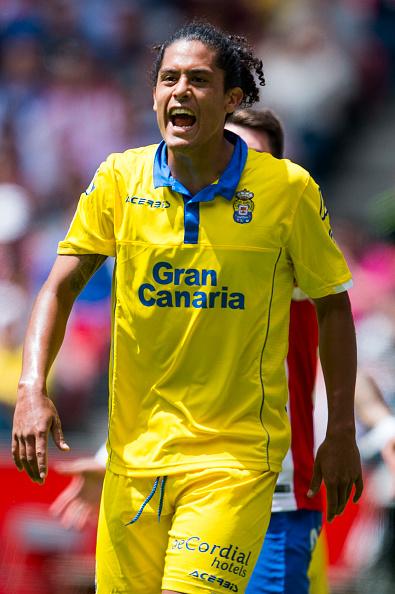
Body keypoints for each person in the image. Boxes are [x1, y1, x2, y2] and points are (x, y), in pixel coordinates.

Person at [12, 21, 362, 594]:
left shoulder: (286, 191)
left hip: (234, 461)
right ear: (153, 94)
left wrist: (342, 427)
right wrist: (32, 387)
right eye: (169, 78)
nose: (181, 91)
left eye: (199, 80)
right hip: (134, 462)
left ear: (231, 99)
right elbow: (58, 287)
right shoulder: (118, 181)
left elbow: (333, 305)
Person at [226, 109, 327, 594]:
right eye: (233, 152)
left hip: (278, 497)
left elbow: (344, 354)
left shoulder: (291, 237)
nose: (243, 169)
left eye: (258, 159)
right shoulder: (190, 248)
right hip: (194, 486)